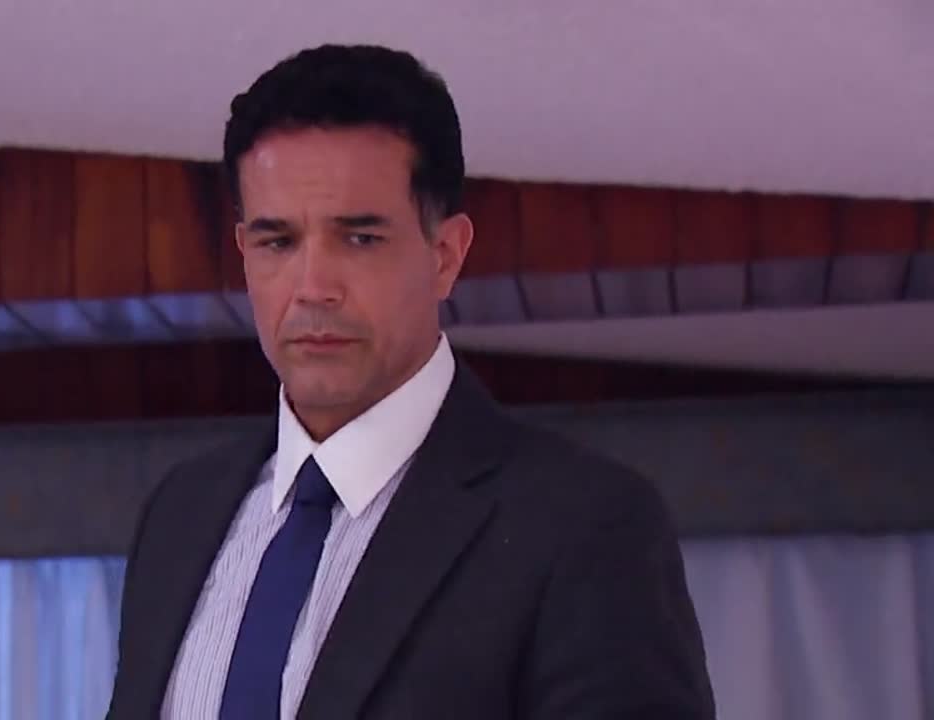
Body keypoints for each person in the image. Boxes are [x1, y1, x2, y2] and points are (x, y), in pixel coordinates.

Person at [107, 44, 714, 719]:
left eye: (360, 239)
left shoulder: (582, 526)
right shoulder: (181, 514)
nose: (313, 287)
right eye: (279, 242)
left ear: (445, 255)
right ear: (245, 253)